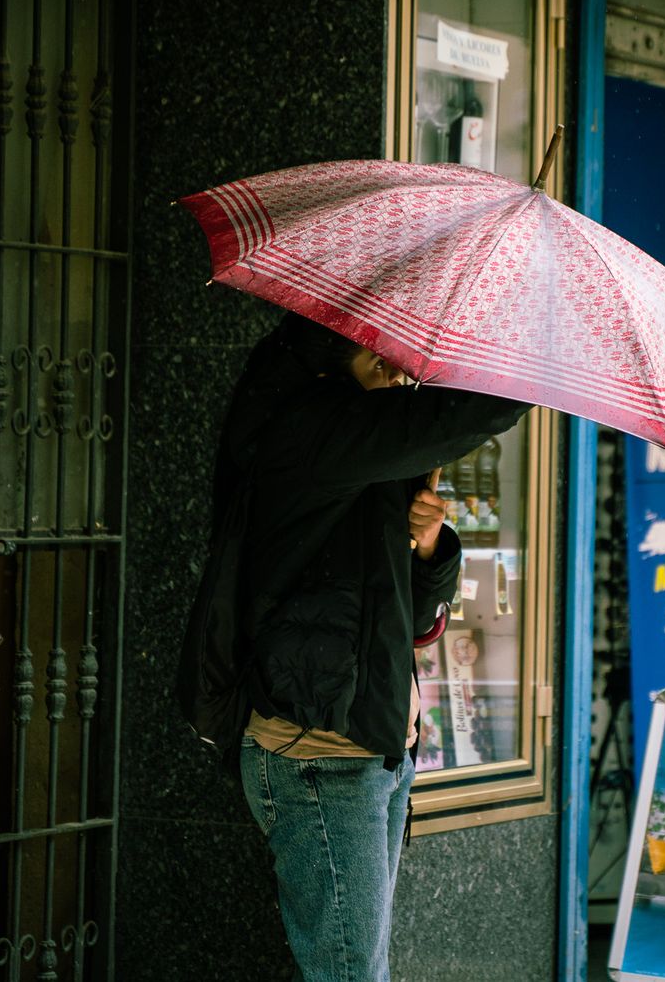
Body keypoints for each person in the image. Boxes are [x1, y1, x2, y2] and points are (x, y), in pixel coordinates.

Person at [208, 313, 530, 981]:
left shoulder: (356, 444)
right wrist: (534, 363)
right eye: (376, 352)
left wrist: (430, 546)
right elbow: (448, 419)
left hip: (374, 748)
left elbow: (411, 616)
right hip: (319, 753)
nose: (394, 369)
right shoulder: (312, 425)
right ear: (331, 348)